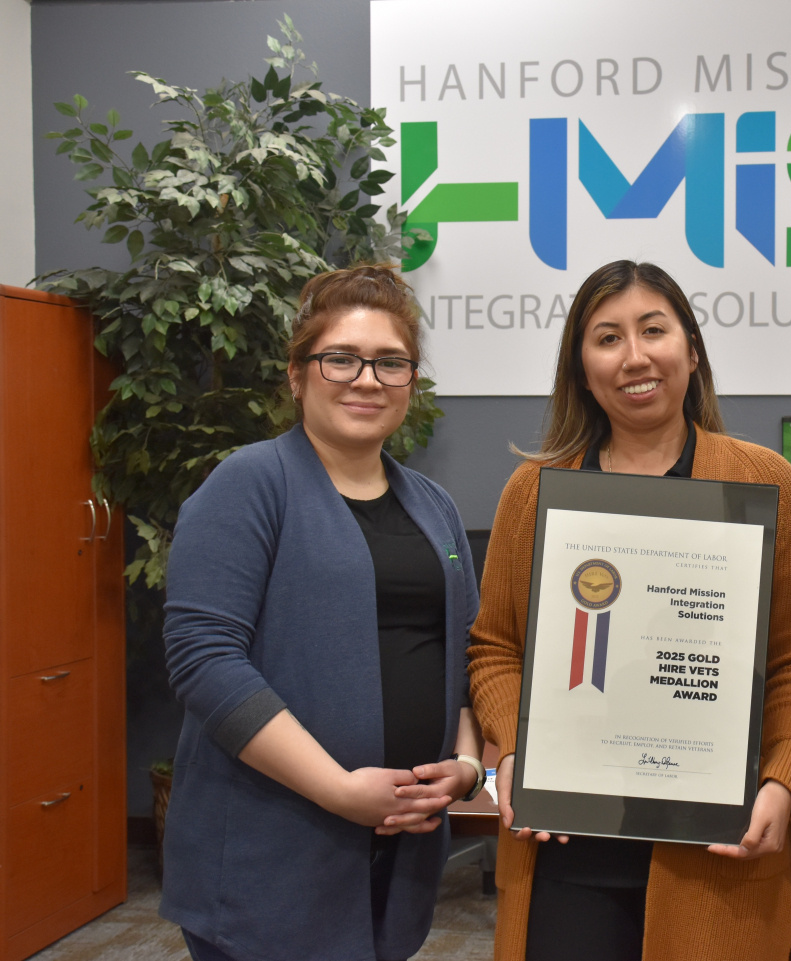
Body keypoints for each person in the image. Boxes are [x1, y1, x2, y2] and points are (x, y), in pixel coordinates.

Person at [468, 260, 791, 961]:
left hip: (718, 849)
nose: (634, 355)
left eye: (654, 330)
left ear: (692, 350)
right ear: (581, 367)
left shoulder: (764, 481)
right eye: (607, 337)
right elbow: (495, 648)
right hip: (566, 848)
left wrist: (783, 782)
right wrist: (515, 747)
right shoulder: (535, 491)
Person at [159, 264, 486, 961]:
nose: (367, 379)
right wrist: (340, 790)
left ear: (410, 380)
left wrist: (465, 764)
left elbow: (463, 650)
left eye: (391, 362)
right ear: (298, 373)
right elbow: (206, 660)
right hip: (270, 853)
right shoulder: (248, 483)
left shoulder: (434, 506)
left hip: (400, 843)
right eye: (340, 357)